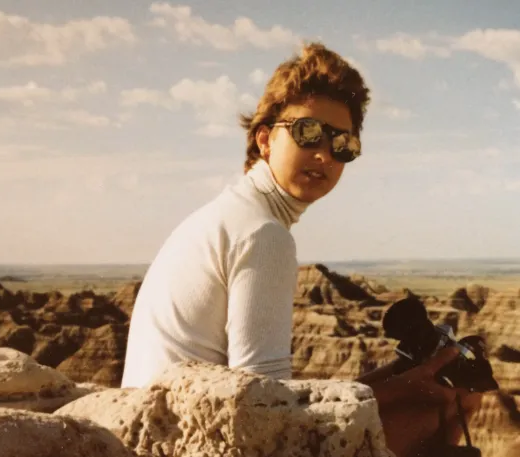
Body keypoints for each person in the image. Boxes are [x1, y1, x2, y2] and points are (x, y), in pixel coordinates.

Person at [121, 41, 482, 457]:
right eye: (308, 132)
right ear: (264, 140)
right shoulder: (263, 235)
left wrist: (395, 375)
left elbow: (268, 394)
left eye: (342, 145)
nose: (324, 154)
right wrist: (408, 388)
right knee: (454, 401)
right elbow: (265, 411)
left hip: (163, 435)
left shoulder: (227, 215)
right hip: (192, 445)